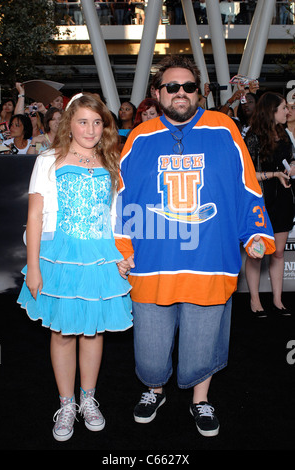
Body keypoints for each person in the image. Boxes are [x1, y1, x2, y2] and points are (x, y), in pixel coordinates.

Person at [114, 55, 275, 437]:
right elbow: (121, 197)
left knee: (203, 346)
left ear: (199, 92)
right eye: (172, 87)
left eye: (189, 87)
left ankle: (201, 399)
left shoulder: (224, 127)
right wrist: (122, 248)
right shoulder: (139, 136)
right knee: (151, 352)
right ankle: (154, 390)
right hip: (153, 262)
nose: (181, 93)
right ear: (157, 93)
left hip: (210, 259)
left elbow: (247, 185)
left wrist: (255, 233)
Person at [17, 92, 132, 442]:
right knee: (63, 332)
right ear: (70, 123)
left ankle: (88, 400)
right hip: (61, 255)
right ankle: (66, 404)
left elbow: (117, 216)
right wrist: (33, 267)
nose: (91, 128)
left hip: (100, 255)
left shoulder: (112, 161)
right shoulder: (49, 159)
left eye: (97, 122)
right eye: (83, 121)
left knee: (93, 330)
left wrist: (123, 254)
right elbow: (34, 215)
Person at [245, 92, 294, 317]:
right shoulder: (253, 137)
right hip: (260, 202)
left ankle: (277, 299)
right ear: (272, 111)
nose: (288, 112)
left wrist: (291, 167)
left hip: (283, 199)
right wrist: (274, 174)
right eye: (284, 108)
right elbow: (247, 174)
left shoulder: (284, 134)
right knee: (257, 253)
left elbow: (291, 159)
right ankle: (255, 300)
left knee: (278, 253)